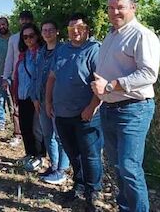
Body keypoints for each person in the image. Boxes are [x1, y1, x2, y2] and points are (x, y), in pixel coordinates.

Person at [91, 0, 160, 212]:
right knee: (118, 166)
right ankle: (125, 208)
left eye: (120, 7)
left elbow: (149, 73)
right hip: (110, 109)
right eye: (110, 8)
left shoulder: (142, 35)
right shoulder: (112, 34)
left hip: (133, 110)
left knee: (129, 167)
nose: (114, 12)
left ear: (133, 7)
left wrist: (111, 86)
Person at [47, 13, 103, 211]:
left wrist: (92, 107)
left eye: (79, 28)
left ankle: (93, 192)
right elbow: (52, 77)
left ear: (87, 29)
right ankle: (78, 186)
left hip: (85, 115)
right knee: (73, 153)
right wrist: (48, 101)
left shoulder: (94, 50)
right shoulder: (62, 50)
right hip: (62, 113)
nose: (75, 32)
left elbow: (100, 82)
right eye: (71, 29)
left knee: (90, 155)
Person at [30, 20, 70, 185]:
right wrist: (35, 98)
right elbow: (35, 76)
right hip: (41, 98)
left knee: (61, 136)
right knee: (48, 134)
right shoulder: (40, 52)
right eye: (44, 30)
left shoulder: (64, 51)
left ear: (57, 32)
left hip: (57, 101)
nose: (47, 33)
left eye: (51, 30)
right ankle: (54, 166)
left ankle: (62, 169)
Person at [11, 23, 46, 171]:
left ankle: (40, 156)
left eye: (31, 36)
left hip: (36, 98)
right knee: (25, 127)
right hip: (23, 96)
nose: (28, 39)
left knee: (38, 128)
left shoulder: (42, 54)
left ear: (37, 36)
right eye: (25, 37)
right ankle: (29, 153)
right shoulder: (23, 55)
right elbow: (18, 76)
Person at [2, 10, 35, 147]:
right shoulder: (14, 38)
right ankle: (17, 134)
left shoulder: (36, 37)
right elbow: (9, 58)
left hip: (34, 79)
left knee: (34, 108)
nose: (24, 24)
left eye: (27, 22)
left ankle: (35, 138)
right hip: (18, 78)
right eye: (22, 22)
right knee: (17, 108)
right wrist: (5, 77)